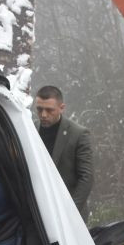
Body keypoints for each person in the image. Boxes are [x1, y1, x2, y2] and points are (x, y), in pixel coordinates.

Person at [33, 85, 93, 219]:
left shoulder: (79, 134)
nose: (43, 115)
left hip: (69, 212)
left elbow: (86, 178)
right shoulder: (31, 128)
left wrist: (70, 211)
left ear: (62, 108)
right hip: (39, 211)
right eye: (39, 109)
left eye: (49, 110)